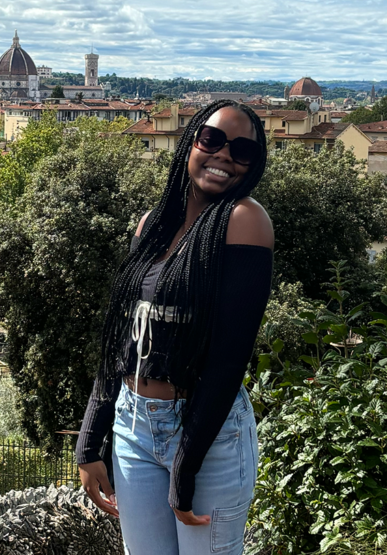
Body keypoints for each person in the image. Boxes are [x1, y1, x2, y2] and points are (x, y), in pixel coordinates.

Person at [76, 100, 274, 555]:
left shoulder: (245, 222)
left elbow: (228, 359)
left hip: (208, 434)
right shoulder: (152, 224)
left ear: (252, 164)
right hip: (132, 424)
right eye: (212, 140)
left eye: (241, 150)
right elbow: (124, 339)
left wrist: (186, 468)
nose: (224, 155)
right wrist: (91, 438)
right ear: (191, 144)